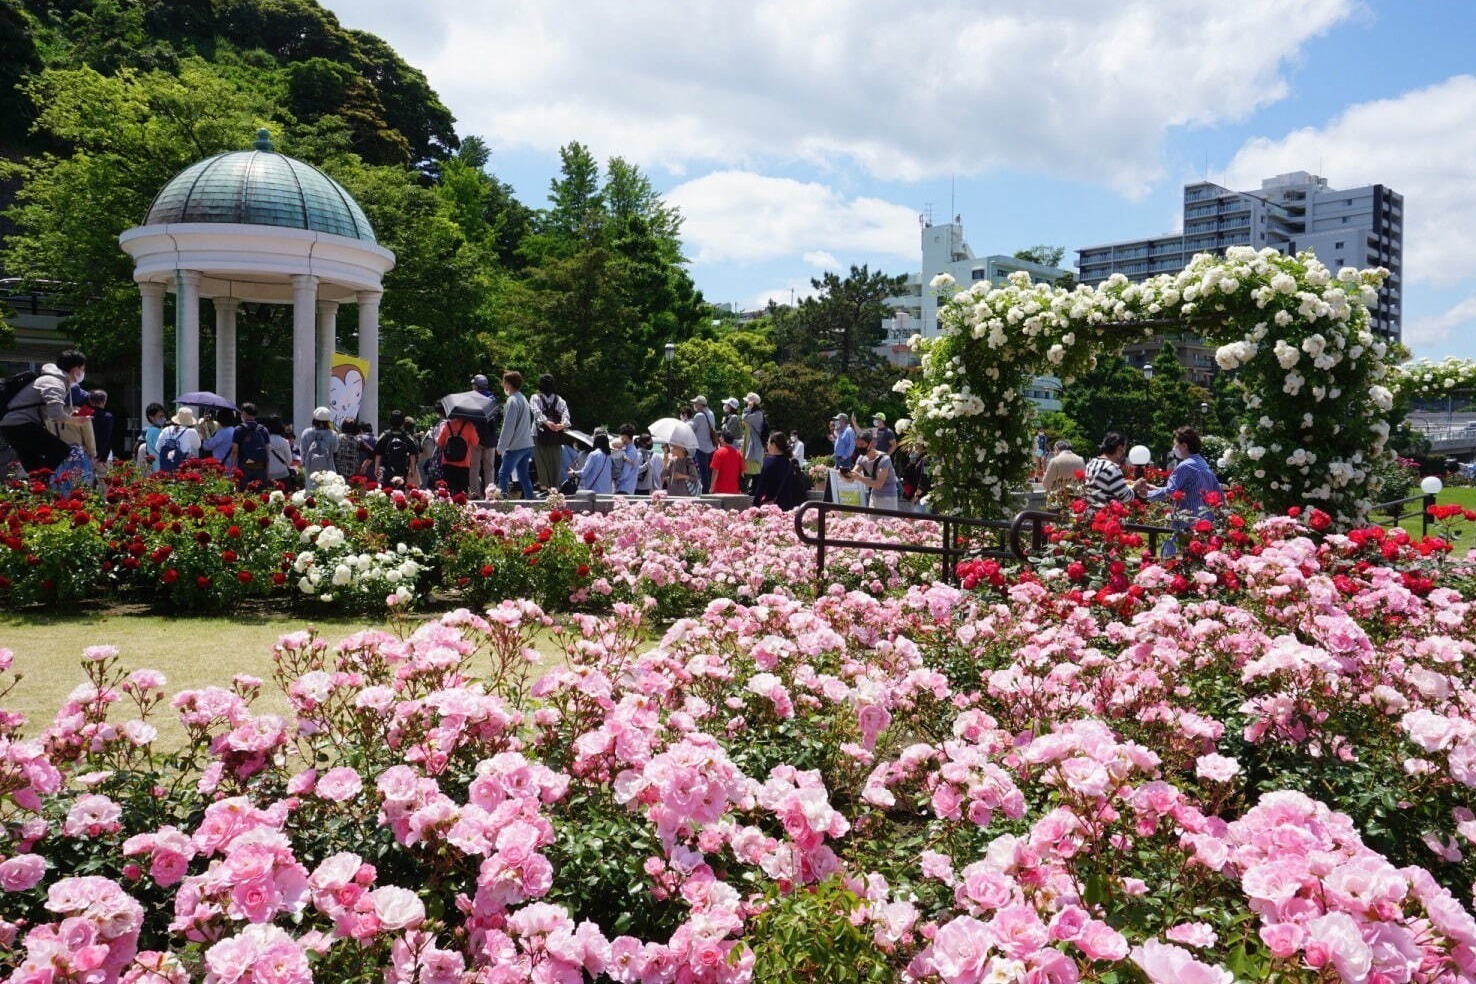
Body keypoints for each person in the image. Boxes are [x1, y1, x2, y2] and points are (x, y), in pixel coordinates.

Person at [1, 350, 83, 474]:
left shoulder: (51, 380)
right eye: (82, 368)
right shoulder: (55, 382)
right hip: (21, 425)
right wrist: (74, 420)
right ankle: (42, 483)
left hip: (11, 426)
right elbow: (55, 414)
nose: (83, 372)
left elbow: (48, 409)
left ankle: (38, 488)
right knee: (61, 450)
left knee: (35, 467)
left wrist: (69, 412)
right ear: (75, 369)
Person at [1135, 425, 1223, 522]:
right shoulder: (1203, 464)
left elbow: (1170, 492)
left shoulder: (1185, 466)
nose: (1174, 448)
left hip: (1188, 522)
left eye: (1175, 444)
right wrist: (1156, 488)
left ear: (1184, 446)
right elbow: (1217, 493)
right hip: (1206, 522)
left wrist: (1147, 494)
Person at [496, 371, 537, 498]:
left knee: (503, 474)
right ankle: (531, 501)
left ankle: (502, 503)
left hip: (515, 446)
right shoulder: (523, 398)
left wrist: (501, 446)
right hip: (527, 444)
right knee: (524, 476)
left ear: (508, 383)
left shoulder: (511, 401)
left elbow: (508, 426)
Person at [531, 374, 569, 492]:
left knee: (541, 461)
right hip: (556, 434)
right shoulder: (559, 399)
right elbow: (566, 414)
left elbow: (536, 412)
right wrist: (561, 425)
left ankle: (544, 486)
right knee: (555, 460)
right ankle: (555, 487)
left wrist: (547, 423)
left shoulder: (535, 397)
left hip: (539, 433)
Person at [848, 428, 899, 511]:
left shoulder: (884, 459)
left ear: (870, 444)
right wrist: (844, 474)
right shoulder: (861, 458)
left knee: (886, 523)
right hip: (874, 496)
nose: (859, 447)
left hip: (888, 497)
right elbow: (852, 477)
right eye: (857, 445)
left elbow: (878, 484)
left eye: (862, 444)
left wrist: (860, 478)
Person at [752, 431, 804, 510]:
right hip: (788, 506)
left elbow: (761, 486)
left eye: (768, 442)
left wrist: (755, 505)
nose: (767, 445)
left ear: (774, 445)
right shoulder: (789, 462)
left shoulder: (769, 461)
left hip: (772, 507)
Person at [467, 373, 500, 495]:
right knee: (489, 468)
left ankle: (474, 493)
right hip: (490, 439)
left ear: (477, 386)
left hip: (475, 438)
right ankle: (490, 494)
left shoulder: (473, 399)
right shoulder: (493, 399)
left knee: (474, 468)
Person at [1084, 432, 1137, 507]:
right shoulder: (1112, 469)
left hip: (1089, 511)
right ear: (1119, 448)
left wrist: (1123, 482)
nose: (1124, 453)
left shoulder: (1091, 463)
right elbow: (1127, 497)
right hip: (1104, 514)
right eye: (1124, 449)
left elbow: (1100, 483)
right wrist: (1136, 487)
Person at [229, 402, 271, 490]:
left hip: (245, 467)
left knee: (245, 493)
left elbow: (234, 451)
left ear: (244, 413)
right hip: (260, 466)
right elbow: (268, 452)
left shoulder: (239, 429)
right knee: (259, 494)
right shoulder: (263, 430)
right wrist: (267, 470)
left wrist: (232, 468)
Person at [437, 413, 480, 496]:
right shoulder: (469, 426)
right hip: (463, 463)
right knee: (462, 493)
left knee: (446, 492)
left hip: (447, 462)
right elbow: (475, 442)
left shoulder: (447, 425)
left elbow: (439, 442)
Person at [376, 409, 419, 487]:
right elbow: (413, 454)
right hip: (401, 469)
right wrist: (413, 470)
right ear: (402, 422)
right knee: (400, 494)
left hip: (386, 468)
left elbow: (378, 453)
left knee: (386, 491)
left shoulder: (385, 435)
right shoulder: (406, 436)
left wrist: (376, 468)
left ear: (390, 420)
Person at [300, 406, 339, 490]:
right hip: (328, 467)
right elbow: (335, 449)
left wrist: (304, 464)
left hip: (310, 467)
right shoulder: (333, 434)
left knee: (311, 491)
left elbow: (303, 452)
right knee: (327, 491)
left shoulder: (306, 433)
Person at [153, 406, 203, 472]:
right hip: (182, 469)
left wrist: (170, 456)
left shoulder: (166, 430)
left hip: (166, 468)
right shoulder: (191, 431)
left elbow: (157, 448)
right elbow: (198, 446)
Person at [689, 395, 717, 492]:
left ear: (701, 404)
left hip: (701, 447)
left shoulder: (699, 415)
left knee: (703, 471)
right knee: (709, 471)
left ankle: (704, 491)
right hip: (711, 447)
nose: (694, 405)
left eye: (696, 403)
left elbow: (692, 428)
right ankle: (709, 489)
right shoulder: (711, 413)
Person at [740, 392, 766, 486]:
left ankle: (755, 489)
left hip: (754, 445)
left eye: (748, 402)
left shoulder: (757, 414)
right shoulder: (754, 413)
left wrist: (747, 408)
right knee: (750, 467)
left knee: (754, 468)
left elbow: (744, 418)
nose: (746, 404)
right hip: (749, 443)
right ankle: (752, 488)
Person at [136, 402, 168, 471]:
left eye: (163, 416)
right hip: (159, 468)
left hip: (155, 468)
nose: (163, 419)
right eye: (160, 416)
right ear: (151, 417)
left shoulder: (150, 430)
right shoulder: (156, 431)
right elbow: (163, 451)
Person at [613, 423, 641, 495]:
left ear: (625, 437)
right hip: (626, 488)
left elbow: (625, 472)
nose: (621, 439)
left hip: (624, 488)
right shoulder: (628, 449)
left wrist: (616, 481)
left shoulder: (631, 452)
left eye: (622, 437)